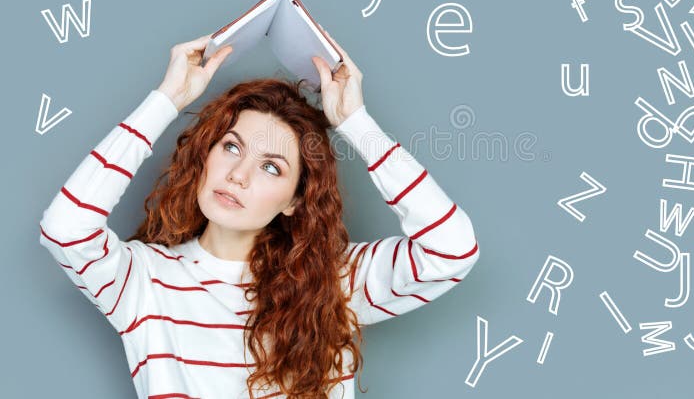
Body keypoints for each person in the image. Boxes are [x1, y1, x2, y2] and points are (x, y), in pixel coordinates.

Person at [38, 32, 480, 399]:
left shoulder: (336, 281)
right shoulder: (144, 281)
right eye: (231, 147)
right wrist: (167, 99)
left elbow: (452, 250)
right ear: (204, 157)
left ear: (294, 200)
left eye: (272, 167)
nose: (239, 175)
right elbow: (65, 229)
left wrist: (355, 122)